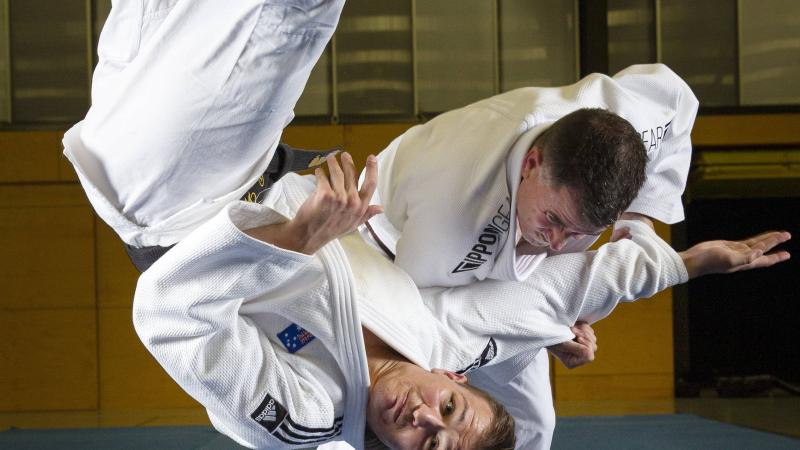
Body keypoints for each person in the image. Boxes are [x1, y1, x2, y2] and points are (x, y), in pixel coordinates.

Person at [133, 150, 789, 449]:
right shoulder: (442, 342)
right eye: (449, 406)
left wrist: (297, 237)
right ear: (455, 378)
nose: (422, 416)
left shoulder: (302, 416)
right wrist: (685, 263)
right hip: (292, 171)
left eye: (428, 445)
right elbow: (567, 288)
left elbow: (171, 316)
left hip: (185, 230)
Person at [359, 63, 701, 448]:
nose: (557, 243)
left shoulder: (621, 125)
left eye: (577, 232)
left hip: (487, 262)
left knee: (535, 424)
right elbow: (443, 323)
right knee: (410, 419)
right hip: (392, 249)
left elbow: (676, 98)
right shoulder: (451, 210)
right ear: (531, 164)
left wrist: (639, 221)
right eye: (553, 220)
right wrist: (543, 328)